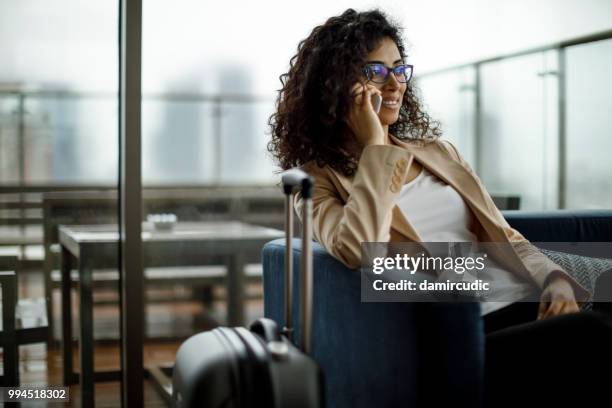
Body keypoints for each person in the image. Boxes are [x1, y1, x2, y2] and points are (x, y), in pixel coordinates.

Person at [267, 7, 612, 407]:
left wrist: (554, 278)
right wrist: (375, 147)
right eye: (375, 71)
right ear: (337, 86)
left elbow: (504, 235)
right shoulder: (316, 181)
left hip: (521, 297)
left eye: (399, 68)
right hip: (466, 325)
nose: (395, 83)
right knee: (595, 333)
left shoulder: (438, 152)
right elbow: (360, 247)